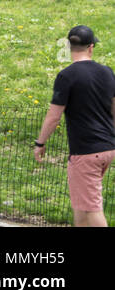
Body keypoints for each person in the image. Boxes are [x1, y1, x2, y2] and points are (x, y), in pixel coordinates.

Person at [34, 25, 115, 226]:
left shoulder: (66, 76)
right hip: (107, 148)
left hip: (86, 152)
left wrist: (40, 143)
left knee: (92, 209)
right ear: (91, 46)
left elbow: (54, 116)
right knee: (82, 207)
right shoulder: (107, 72)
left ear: (70, 46)